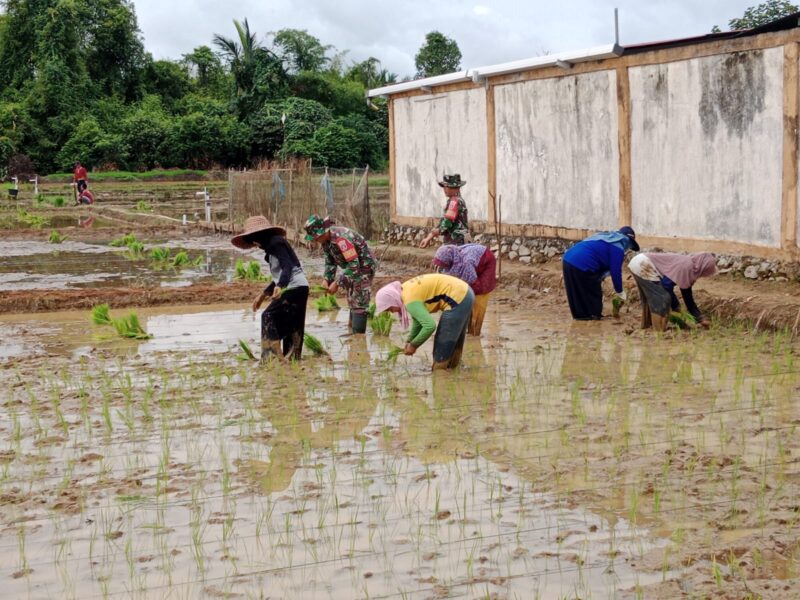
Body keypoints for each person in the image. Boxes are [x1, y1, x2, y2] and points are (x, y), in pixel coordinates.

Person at [231, 215, 309, 362]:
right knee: (293, 324)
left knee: (268, 315)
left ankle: (272, 357)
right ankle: (293, 359)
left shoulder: (276, 243)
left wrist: (281, 286)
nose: (256, 246)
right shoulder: (272, 250)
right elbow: (279, 275)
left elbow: (288, 267)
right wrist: (262, 295)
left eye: (254, 243)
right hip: (299, 287)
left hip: (295, 287)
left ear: (256, 238)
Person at [375, 273, 475, 370]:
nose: (391, 312)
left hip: (459, 297)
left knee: (443, 344)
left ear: (392, 300)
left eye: (389, 308)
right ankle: (453, 372)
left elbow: (430, 326)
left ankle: (440, 375)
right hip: (465, 292)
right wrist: (409, 340)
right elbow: (418, 322)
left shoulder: (409, 300)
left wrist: (414, 345)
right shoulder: (405, 290)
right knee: (455, 341)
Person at [304, 214, 377, 334]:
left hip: (364, 267)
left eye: (315, 237)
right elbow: (330, 263)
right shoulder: (326, 241)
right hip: (352, 267)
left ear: (323, 232)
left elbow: (354, 265)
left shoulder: (341, 239)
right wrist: (327, 279)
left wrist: (337, 283)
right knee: (351, 296)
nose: (315, 240)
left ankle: (358, 338)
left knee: (359, 298)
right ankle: (352, 328)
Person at [562, 226, 640, 320]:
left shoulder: (603, 238)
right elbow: (616, 272)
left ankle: (580, 316)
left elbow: (599, 258)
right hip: (583, 264)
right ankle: (593, 316)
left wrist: (601, 276)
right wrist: (619, 291)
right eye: (630, 244)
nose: (628, 248)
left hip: (567, 259)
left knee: (576, 291)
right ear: (627, 240)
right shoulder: (617, 247)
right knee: (593, 292)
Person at [628, 252, 718, 331]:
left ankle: (647, 326)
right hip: (643, 264)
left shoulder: (690, 269)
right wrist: (677, 307)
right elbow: (666, 286)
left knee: (652, 298)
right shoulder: (686, 267)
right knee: (663, 298)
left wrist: (700, 318)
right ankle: (658, 331)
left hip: (640, 262)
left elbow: (688, 298)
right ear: (703, 268)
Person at [432, 243, 497, 335]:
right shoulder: (453, 259)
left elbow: (472, 280)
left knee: (480, 291)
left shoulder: (466, 263)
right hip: (475, 259)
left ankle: (475, 332)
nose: (443, 267)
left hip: (486, 259)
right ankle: (467, 329)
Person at [419, 173, 470, 248]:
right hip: (459, 240)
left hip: (456, 242)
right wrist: (429, 237)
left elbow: (447, 222)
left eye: (448, 187)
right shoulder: (457, 200)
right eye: (444, 187)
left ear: (457, 188)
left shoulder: (455, 201)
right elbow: (445, 220)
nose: (445, 189)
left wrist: (437, 232)